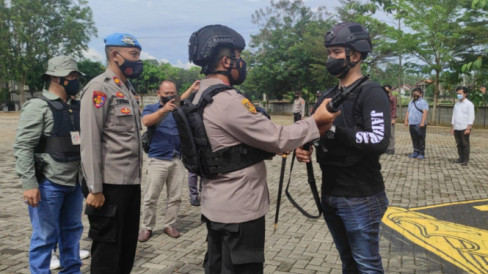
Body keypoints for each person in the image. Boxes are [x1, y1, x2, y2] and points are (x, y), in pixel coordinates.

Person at [186, 24, 339, 273]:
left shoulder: (196, 95)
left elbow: (228, 143)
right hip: (240, 210)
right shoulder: (227, 101)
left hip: (214, 205)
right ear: (226, 61)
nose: (242, 62)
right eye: (238, 57)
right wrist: (316, 121)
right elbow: (277, 137)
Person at [296, 22, 391, 273]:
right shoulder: (326, 96)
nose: (330, 58)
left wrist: (334, 131)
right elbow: (317, 132)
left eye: (336, 52)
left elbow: (379, 141)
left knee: (367, 266)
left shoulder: (371, 93)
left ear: (355, 55)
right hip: (331, 193)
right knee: (348, 262)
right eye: (329, 52)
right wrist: (305, 146)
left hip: (361, 197)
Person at [13, 56, 84, 273]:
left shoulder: (77, 106)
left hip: (75, 182)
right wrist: (29, 184)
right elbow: (23, 146)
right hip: (48, 184)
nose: (75, 80)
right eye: (71, 76)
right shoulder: (37, 106)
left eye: (76, 76)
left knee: (72, 232)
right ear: (55, 77)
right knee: (44, 237)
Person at [80, 32, 143, 274]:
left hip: (130, 183)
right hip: (108, 187)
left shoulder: (126, 87)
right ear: (115, 55)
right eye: (134, 55)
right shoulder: (99, 88)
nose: (138, 60)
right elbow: (90, 141)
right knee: (108, 253)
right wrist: (95, 188)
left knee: (126, 249)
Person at [137, 80, 200, 242]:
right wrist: (163, 110)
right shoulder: (152, 108)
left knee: (175, 196)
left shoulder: (177, 107)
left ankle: (169, 224)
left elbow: (181, 98)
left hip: (177, 159)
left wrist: (192, 89)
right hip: (157, 159)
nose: (170, 96)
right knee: (151, 197)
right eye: (166, 94)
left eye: (173, 93)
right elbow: (146, 122)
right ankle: (147, 227)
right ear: (158, 94)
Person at [451, 86, 475, 166]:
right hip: (457, 127)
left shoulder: (469, 104)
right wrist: (452, 127)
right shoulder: (457, 104)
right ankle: (460, 158)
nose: (458, 95)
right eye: (457, 93)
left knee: (465, 144)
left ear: (465, 94)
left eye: (460, 93)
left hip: (464, 127)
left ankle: (465, 160)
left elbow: (471, 116)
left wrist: (469, 128)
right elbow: (454, 115)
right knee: (459, 144)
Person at [404, 87, 429, 159]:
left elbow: (425, 112)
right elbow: (408, 112)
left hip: (419, 123)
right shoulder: (411, 102)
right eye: (413, 94)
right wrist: (406, 121)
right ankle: (415, 152)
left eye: (416, 93)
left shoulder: (423, 102)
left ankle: (421, 153)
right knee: (414, 138)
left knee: (421, 138)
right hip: (412, 123)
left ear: (420, 94)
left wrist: (422, 122)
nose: (414, 95)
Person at [383, 84, 397, 155]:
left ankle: (392, 148)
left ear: (390, 90)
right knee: (386, 134)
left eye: (387, 89)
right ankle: (387, 148)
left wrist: (393, 118)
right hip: (384, 117)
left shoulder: (393, 98)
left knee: (391, 134)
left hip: (390, 117)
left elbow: (394, 108)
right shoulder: (383, 97)